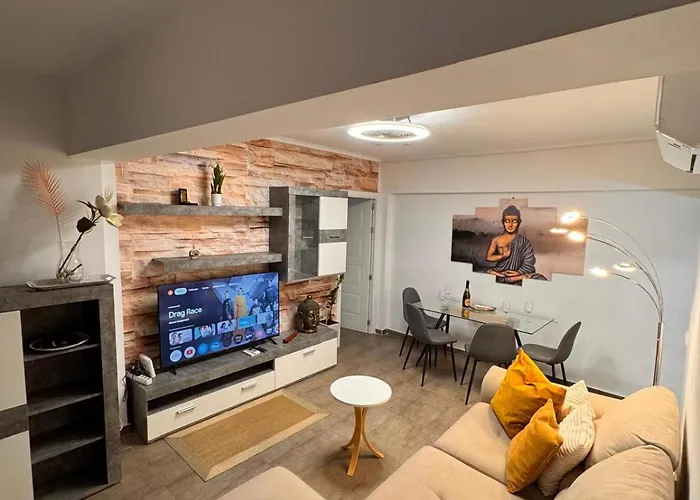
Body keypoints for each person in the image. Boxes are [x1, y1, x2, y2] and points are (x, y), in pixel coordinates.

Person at [485, 205, 547, 285]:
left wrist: (519, 272)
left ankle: (511, 278)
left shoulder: (524, 241)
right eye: (507, 221)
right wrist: (502, 256)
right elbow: (488, 257)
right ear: (503, 222)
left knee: (540, 278)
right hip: (501, 271)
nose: (510, 225)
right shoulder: (496, 240)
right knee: (483, 272)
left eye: (514, 221)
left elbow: (529, 261)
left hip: (517, 273)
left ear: (519, 222)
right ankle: (511, 279)